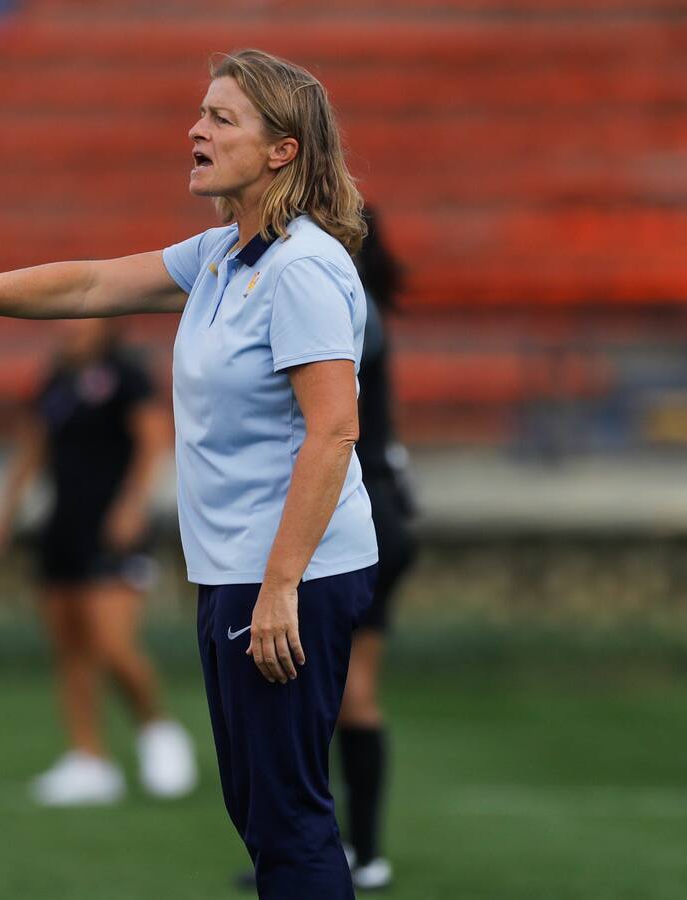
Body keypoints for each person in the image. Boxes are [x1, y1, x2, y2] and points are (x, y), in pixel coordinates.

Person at [0, 49, 377, 898]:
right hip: (239, 570)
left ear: (284, 150)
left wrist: (280, 583)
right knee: (264, 816)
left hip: (288, 574)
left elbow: (334, 429)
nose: (196, 129)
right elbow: (86, 284)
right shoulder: (227, 255)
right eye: (200, 112)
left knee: (289, 820)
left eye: (222, 118)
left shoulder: (301, 267)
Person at [0, 319, 197, 806]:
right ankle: (88, 758)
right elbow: (32, 453)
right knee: (70, 646)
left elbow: (153, 440)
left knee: (113, 643)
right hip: (63, 527)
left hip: (113, 529)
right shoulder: (56, 382)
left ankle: (158, 730)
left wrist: (132, 505)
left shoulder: (126, 375)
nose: (69, 327)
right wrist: (2, 517)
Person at [335, 207, 418, 891]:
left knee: (347, 694)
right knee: (339, 690)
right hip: (384, 506)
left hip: (364, 511)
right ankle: (347, 847)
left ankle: (359, 851)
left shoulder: (340, 297)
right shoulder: (357, 296)